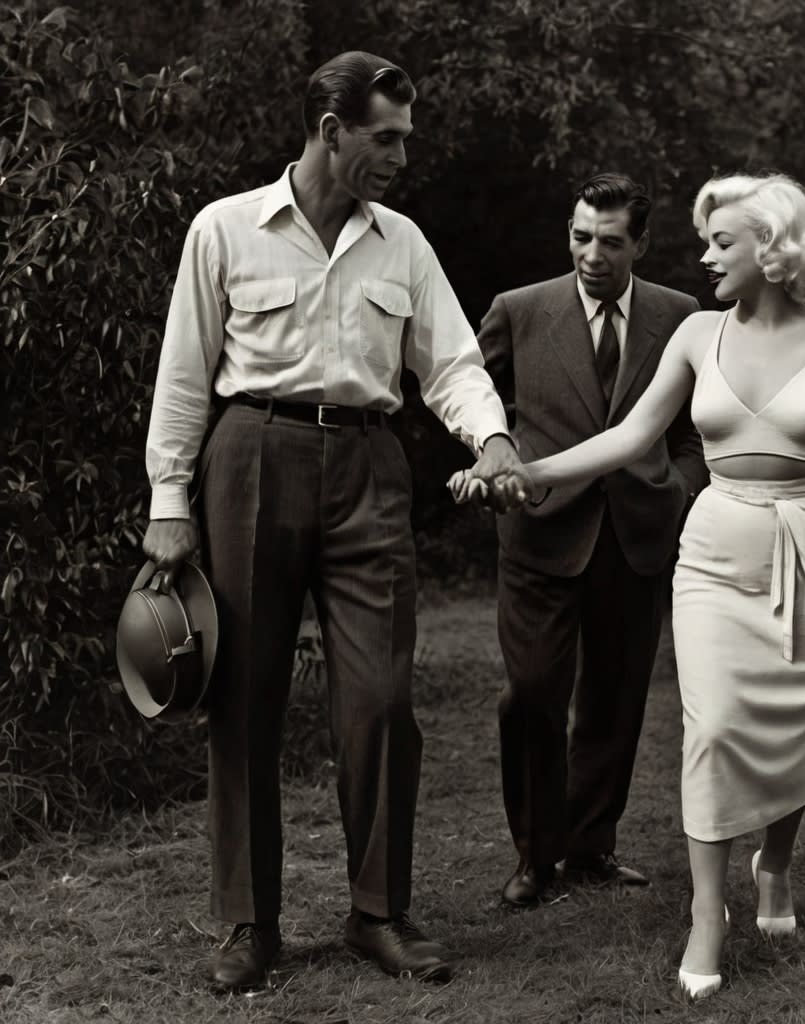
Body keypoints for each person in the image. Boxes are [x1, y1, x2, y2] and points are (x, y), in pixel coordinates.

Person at [451, 172, 805, 999]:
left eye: (721, 242)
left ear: (771, 248)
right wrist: (529, 472)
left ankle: (774, 862)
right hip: (712, 554)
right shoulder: (696, 334)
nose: (704, 256)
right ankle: (708, 912)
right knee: (712, 725)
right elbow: (629, 436)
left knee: (799, 717)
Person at [142, 51, 528, 990]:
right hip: (251, 456)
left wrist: (493, 439)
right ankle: (249, 923)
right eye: (385, 138)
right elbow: (184, 375)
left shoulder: (404, 243)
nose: (401, 157)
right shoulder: (225, 228)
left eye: (404, 139)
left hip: (368, 467)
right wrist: (169, 503)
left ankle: (378, 913)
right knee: (244, 697)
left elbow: (451, 363)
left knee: (382, 699)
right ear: (330, 131)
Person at [473, 173, 706, 908]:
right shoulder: (518, 310)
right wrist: (491, 460)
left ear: (642, 243)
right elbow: (467, 397)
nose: (592, 255)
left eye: (610, 242)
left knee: (616, 698)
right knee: (532, 693)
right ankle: (535, 856)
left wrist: (678, 488)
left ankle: (591, 846)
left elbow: (698, 428)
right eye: (581, 237)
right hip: (539, 531)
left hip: (637, 534)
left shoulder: (682, 316)